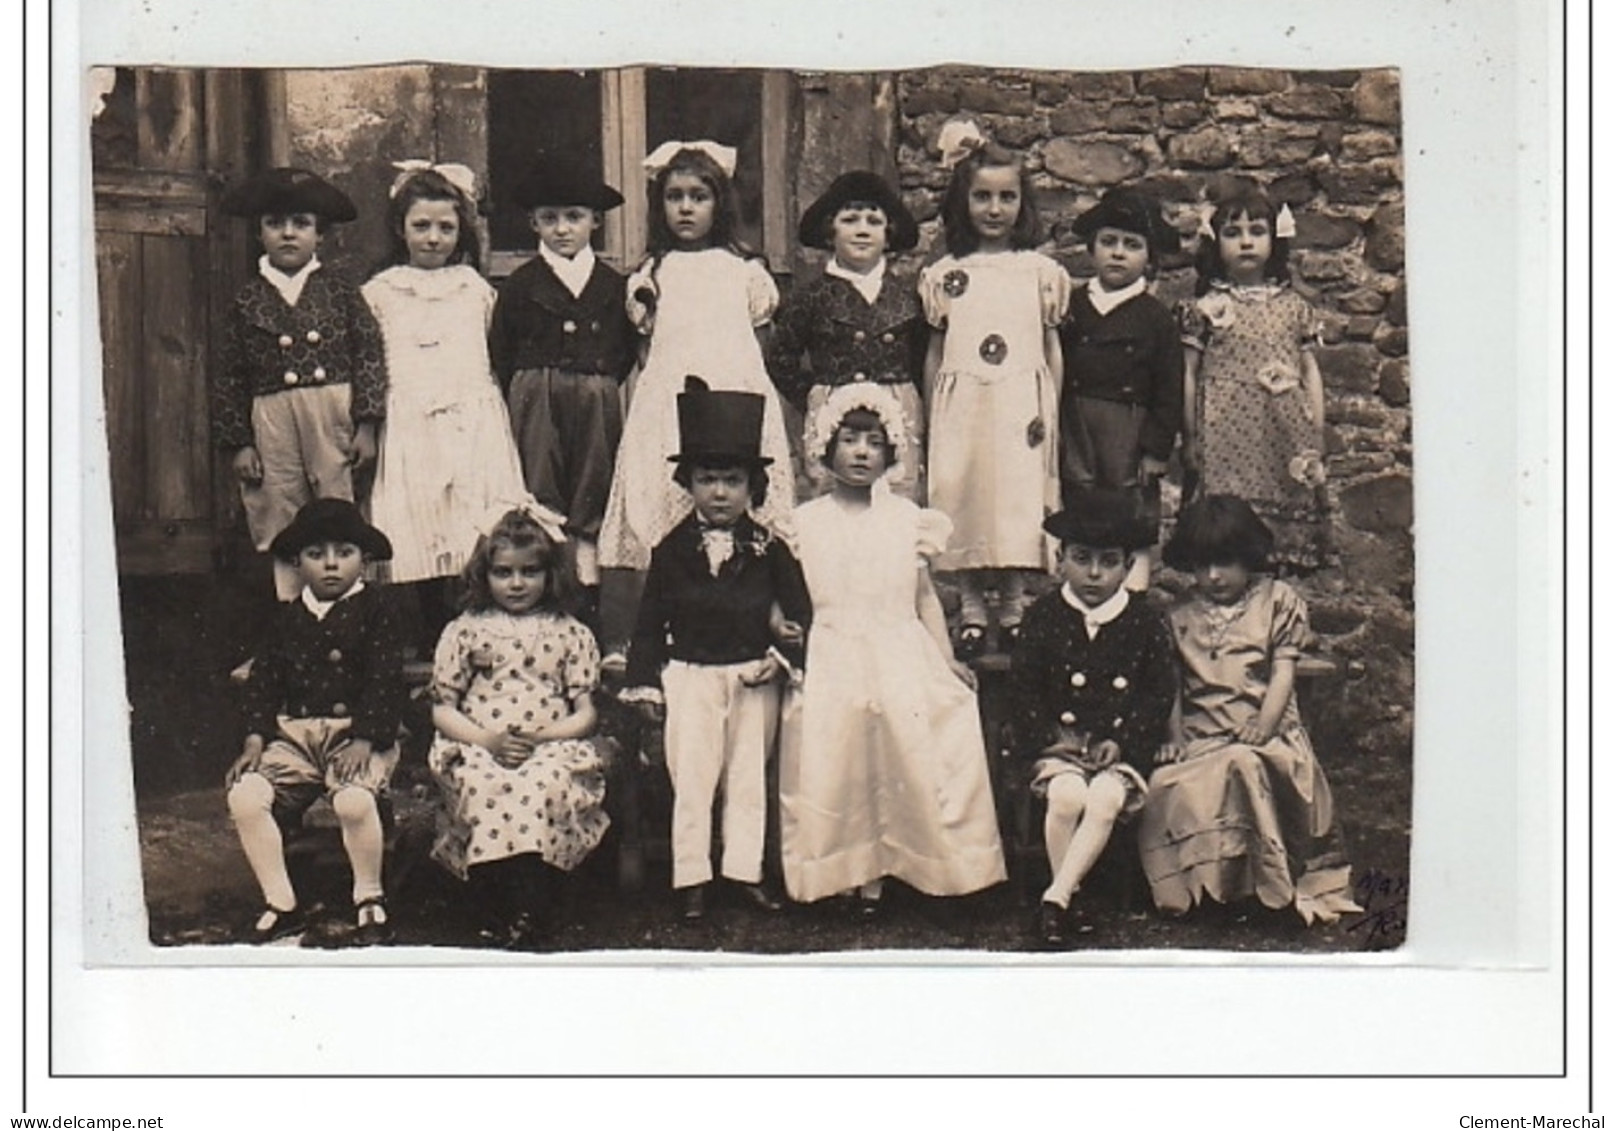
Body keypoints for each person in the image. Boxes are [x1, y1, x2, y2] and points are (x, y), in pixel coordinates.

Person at [779, 383, 1005, 912]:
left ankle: (913, 865)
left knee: (918, 729)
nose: (861, 452)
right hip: (833, 649)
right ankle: (845, 872)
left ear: (891, 454)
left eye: (875, 443)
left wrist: (946, 659)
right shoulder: (804, 523)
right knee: (838, 747)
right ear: (826, 447)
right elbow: (792, 601)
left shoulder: (908, 519)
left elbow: (924, 596)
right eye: (851, 440)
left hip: (898, 645)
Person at [596, 140, 796, 664]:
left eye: (699, 196)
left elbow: (763, 340)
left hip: (735, 390)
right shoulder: (652, 273)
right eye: (675, 196)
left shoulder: (745, 271)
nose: (686, 208)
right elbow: (645, 347)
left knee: (734, 496)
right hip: (671, 396)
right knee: (665, 502)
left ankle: (751, 617)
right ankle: (662, 623)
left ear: (719, 203)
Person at [619, 379, 811, 922]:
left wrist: (779, 658)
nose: (720, 493)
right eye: (707, 480)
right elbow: (650, 624)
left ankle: (743, 871)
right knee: (694, 777)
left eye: (732, 480)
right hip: (692, 675)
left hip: (753, 674)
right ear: (689, 484)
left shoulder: (771, 548)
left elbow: (799, 614)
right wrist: (647, 683)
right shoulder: (671, 550)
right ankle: (692, 877)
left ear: (754, 486)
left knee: (748, 776)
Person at [1137, 494, 1360, 924]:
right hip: (1203, 733)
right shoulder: (1179, 615)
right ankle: (1208, 888)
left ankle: (1265, 886)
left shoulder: (1277, 600)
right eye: (1202, 566)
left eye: (1225, 563)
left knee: (1242, 763)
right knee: (1166, 780)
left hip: (1265, 733)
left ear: (1248, 557)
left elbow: (1282, 673)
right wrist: (1174, 737)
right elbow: (1175, 686)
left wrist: (1265, 724)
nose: (1214, 576)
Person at [425, 500, 611, 949]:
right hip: (478, 739)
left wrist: (545, 737)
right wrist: (487, 739)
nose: (516, 583)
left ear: (550, 575)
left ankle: (533, 908)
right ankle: (493, 901)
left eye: (530, 571)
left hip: (549, 741)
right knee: (485, 783)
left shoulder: (569, 632)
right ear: (484, 575)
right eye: (504, 572)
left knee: (542, 782)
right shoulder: (466, 630)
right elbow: (443, 707)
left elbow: (585, 711)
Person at [223, 498, 407, 945]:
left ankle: (369, 896)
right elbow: (263, 681)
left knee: (353, 802)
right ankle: (282, 902)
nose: (330, 565)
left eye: (343, 553)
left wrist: (366, 738)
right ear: (297, 562)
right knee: (246, 796)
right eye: (316, 554)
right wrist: (254, 739)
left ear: (363, 559)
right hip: (296, 737)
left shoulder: (378, 610)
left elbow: (386, 678)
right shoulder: (287, 618)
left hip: (359, 734)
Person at [919, 118, 1069, 658]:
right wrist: (932, 412)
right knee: (966, 491)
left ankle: (1012, 602)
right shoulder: (946, 274)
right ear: (964, 203)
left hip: (1018, 401)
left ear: (1022, 204)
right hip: (966, 402)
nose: (994, 208)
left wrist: (1049, 403)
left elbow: (1051, 347)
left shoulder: (1039, 272)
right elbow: (936, 350)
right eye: (982, 197)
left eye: (1006, 197)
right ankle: (973, 606)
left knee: (1014, 498)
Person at [363, 161, 526, 647]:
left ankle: (477, 628)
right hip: (410, 423)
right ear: (400, 228)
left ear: (462, 231)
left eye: (446, 227)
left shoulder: (475, 289)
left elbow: (496, 354)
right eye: (421, 226)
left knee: (470, 522)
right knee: (415, 524)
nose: (433, 238)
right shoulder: (380, 292)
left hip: (471, 421)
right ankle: (424, 637)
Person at [1007, 489, 1177, 945]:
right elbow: (1023, 685)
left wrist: (1123, 742)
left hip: (1115, 749)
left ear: (1128, 566)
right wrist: (1049, 735)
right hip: (1059, 747)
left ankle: (1056, 900)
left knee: (1103, 799)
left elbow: (1158, 693)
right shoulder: (1044, 617)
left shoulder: (1144, 621)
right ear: (1060, 559)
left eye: (1108, 562)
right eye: (1082, 559)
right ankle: (1070, 898)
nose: (1095, 574)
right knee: (1065, 798)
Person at [212, 168, 388, 601]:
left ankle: (352, 614)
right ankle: (293, 614)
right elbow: (229, 373)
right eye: (275, 224)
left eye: (301, 224)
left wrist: (366, 424)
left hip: (332, 412)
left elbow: (368, 353)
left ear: (320, 235)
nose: (288, 234)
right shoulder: (247, 298)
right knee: (279, 508)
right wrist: (239, 443)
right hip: (272, 417)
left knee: (340, 504)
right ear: (260, 232)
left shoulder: (341, 290)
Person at [488, 165, 635, 613]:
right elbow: (502, 349)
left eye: (574, 216)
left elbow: (625, 348)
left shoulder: (614, 285)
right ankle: (542, 592)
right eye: (550, 218)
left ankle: (586, 593)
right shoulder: (519, 285)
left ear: (595, 221)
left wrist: (598, 384)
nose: (562, 228)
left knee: (594, 484)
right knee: (540, 486)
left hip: (597, 391)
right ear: (534, 224)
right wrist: (534, 385)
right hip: (535, 392)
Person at [1177, 182, 1330, 571]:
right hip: (1226, 427)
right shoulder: (1207, 307)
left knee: (1284, 503)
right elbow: (1189, 371)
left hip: (1283, 427)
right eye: (1233, 233)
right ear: (1216, 243)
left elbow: (1309, 369)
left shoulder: (1294, 308)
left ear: (1274, 240)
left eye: (1256, 232)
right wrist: (1190, 434)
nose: (1246, 242)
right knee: (1227, 515)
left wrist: (1315, 430)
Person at [766, 170, 929, 500]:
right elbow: (780, 357)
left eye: (874, 221)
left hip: (897, 411)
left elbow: (923, 355)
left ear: (889, 234)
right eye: (850, 220)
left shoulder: (908, 295)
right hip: (833, 409)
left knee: (897, 495)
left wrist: (908, 396)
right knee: (830, 493)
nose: (862, 229)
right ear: (830, 232)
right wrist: (816, 396)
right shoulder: (811, 296)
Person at [1058, 186, 1184, 592]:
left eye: (1131, 245)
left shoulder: (1156, 317)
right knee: (1079, 495)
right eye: (1108, 242)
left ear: (1149, 258)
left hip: (1128, 427)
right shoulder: (1071, 306)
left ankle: (1133, 589)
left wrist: (1156, 449)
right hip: (1076, 419)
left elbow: (1169, 387)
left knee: (1130, 504)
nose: (1118, 253)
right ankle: (1079, 586)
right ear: (1091, 250)